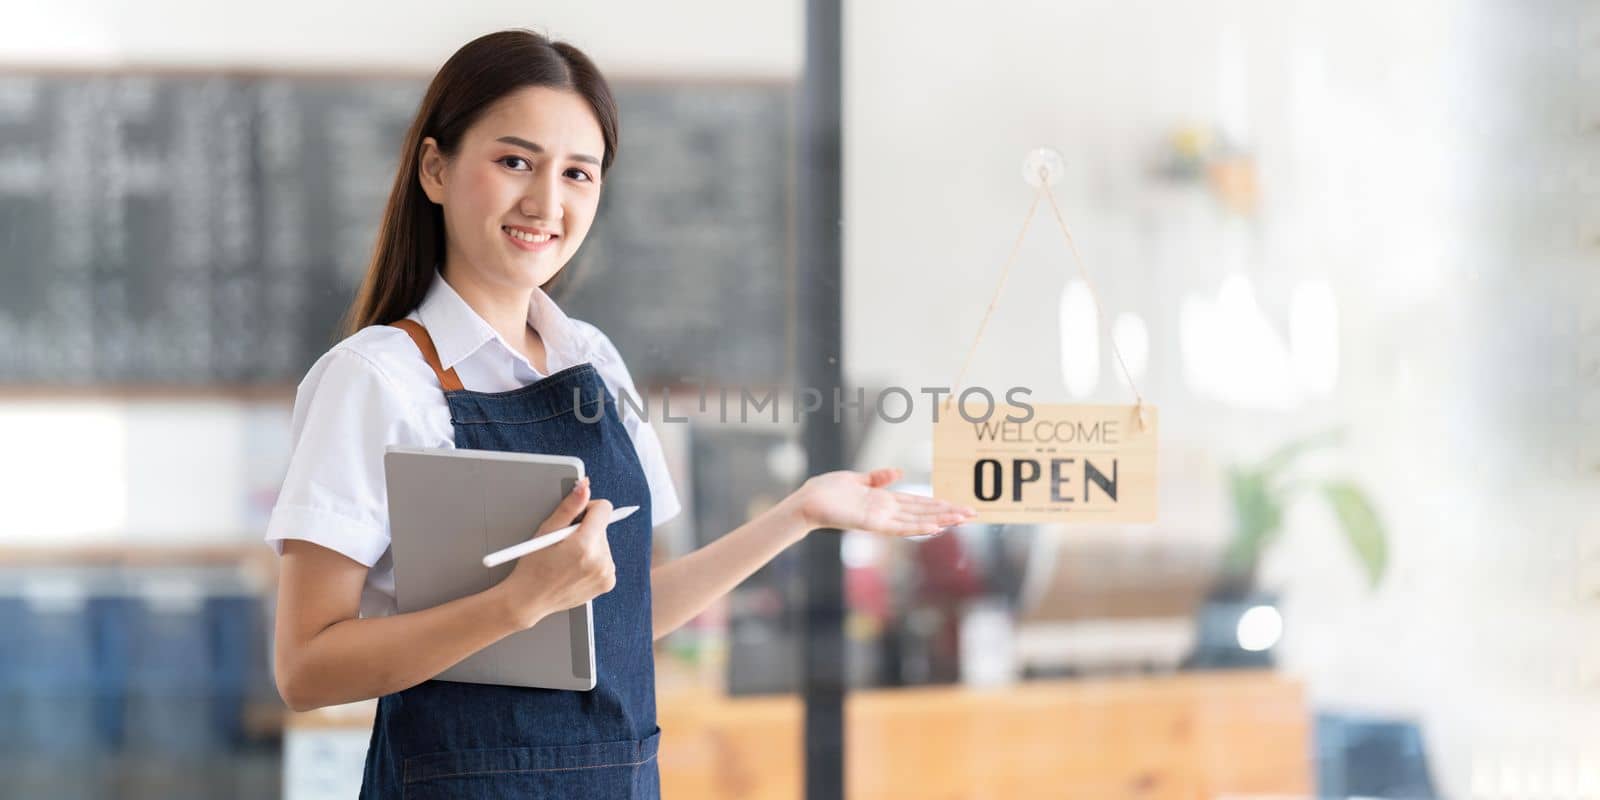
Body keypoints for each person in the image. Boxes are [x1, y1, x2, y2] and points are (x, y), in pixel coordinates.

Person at [265, 28, 975, 799]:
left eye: (578, 173)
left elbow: (628, 614)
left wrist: (800, 514)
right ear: (435, 168)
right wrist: (515, 604)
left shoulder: (592, 362)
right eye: (514, 162)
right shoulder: (376, 379)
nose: (546, 202)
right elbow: (306, 668)